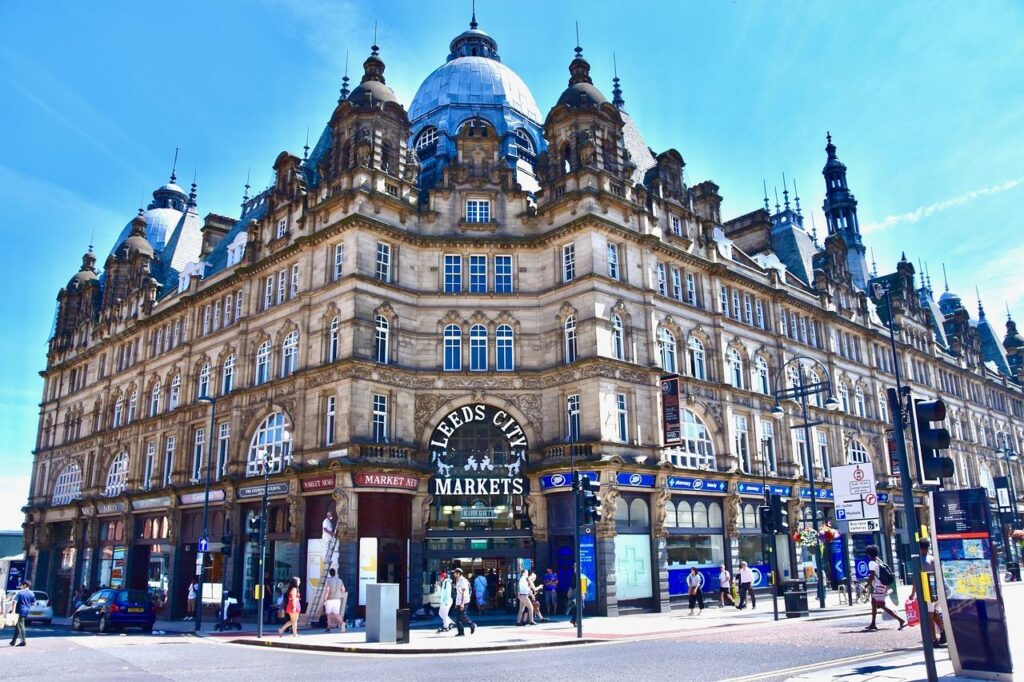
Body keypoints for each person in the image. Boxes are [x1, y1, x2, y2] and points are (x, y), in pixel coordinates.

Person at [909, 538, 946, 647]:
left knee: (928, 617)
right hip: (937, 590)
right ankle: (943, 632)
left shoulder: (919, 561)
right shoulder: (933, 559)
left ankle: (933, 640)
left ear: (919, 548)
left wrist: (912, 593)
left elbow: (916, 579)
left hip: (928, 591)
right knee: (934, 614)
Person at [865, 545, 906, 631]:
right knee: (874, 604)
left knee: (882, 605)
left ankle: (900, 620)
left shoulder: (871, 563)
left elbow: (872, 575)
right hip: (882, 585)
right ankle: (873, 623)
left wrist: (866, 585)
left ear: (869, 554)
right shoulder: (878, 561)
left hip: (879, 586)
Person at [8, 581, 35, 647]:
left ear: (25, 585)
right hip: (26, 610)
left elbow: (14, 602)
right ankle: (13, 641)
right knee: (18, 626)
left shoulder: (20, 592)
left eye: (22, 585)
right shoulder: (32, 594)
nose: (21, 586)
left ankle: (23, 641)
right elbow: (33, 603)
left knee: (21, 625)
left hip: (20, 610)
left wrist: (13, 611)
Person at [451, 568, 476, 636]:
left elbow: (463, 593)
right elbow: (458, 593)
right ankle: (461, 632)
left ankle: (472, 624)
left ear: (458, 573)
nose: (453, 574)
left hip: (464, 601)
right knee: (458, 618)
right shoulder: (457, 580)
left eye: (455, 573)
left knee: (463, 615)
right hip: (459, 600)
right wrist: (456, 603)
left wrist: (462, 603)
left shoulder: (463, 580)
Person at [323, 568, 346, 633]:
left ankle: (328, 628)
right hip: (337, 599)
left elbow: (327, 590)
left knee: (328, 614)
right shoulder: (340, 580)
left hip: (330, 599)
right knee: (336, 614)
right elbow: (343, 589)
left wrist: (325, 599)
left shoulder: (329, 581)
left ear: (330, 573)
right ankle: (342, 623)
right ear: (335, 573)